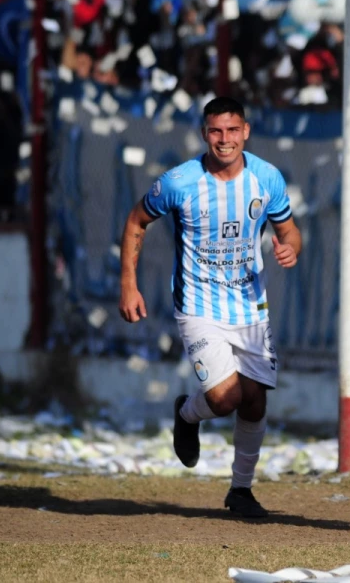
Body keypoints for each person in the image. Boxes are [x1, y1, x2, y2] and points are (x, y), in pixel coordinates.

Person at [117, 96, 302, 518]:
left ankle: (241, 491)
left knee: (254, 401)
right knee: (225, 398)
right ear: (205, 134)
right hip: (199, 306)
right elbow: (135, 221)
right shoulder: (179, 182)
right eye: (216, 131)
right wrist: (129, 284)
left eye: (232, 131)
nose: (224, 140)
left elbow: (290, 231)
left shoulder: (267, 178)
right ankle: (187, 413)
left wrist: (290, 249)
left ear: (246, 132)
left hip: (251, 308)